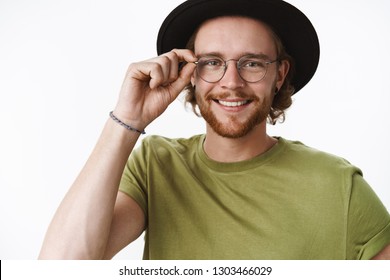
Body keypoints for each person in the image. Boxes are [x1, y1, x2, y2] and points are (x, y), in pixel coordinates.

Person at [39, 0, 390, 260]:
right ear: (190, 72)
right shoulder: (155, 165)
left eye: (252, 63)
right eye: (212, 63)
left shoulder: (338, 185)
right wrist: (127, 121)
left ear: (279, 74)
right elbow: (62, 266)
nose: (231, 83)